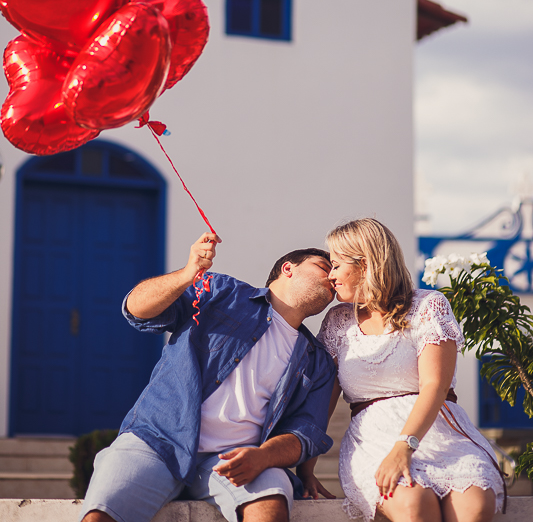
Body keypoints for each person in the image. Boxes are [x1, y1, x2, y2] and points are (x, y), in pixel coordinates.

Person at [80, 232, 336, 522]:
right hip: (158, 441)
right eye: (325, 267)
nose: (333, 280)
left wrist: (264, 457)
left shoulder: (318, 363)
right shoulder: (223, 291)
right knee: (99, 517)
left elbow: (305, 433)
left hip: (238, 460)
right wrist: (187, 274)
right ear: (288, 268)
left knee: (270, 507)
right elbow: (135, 310)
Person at [297, 218, 503, 522]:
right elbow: (323, 400)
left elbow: (435, 385)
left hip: (440, 433)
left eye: (337, 264)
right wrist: (306, 468)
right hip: (373, 438)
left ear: (365, 266)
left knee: (475, 508)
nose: (331, 275)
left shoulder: (429, 305)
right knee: (413, 506)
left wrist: (405, 446)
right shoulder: (337, 321)